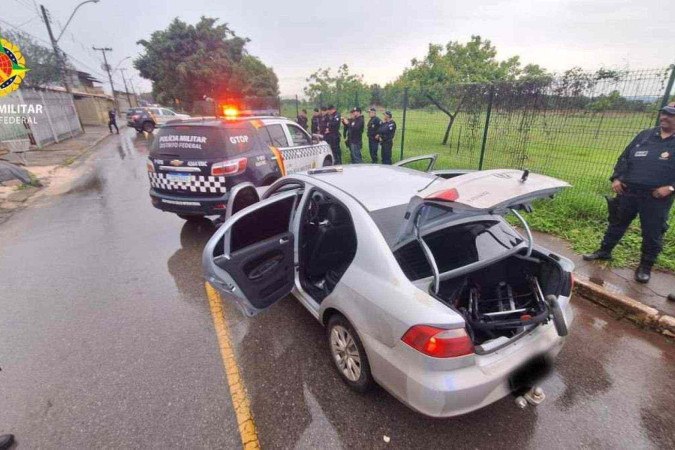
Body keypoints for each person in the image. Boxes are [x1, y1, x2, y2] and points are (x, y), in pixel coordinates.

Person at [583, 102, 675, 283]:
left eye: (670, 115)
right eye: (663, 113)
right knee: (617, 223)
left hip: (656, 197)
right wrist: (617, 178)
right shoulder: (645, 135)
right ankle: (604, 251)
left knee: (652, 233)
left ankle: (645, 267)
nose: (664, 117)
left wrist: (671, 187)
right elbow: (624, 157)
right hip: (628, 192)